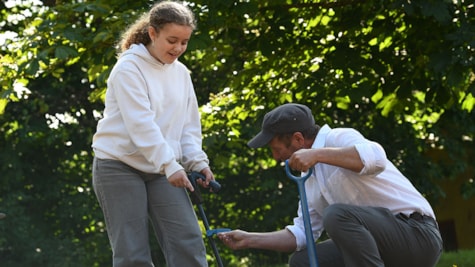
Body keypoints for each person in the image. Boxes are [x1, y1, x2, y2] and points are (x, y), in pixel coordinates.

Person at [218, 103, 443, 267]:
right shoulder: (308, 179)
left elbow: (376, 157)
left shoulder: (339, 137)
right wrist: (249, 239)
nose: (276, 157)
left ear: (298, 139)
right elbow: (302, 234)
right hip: (378, 249)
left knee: (337, 215)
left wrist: (317, 154)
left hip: (417, 237)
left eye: (277, 149)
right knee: (302, 261)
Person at [91, 1, 215, 266]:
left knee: (188, 241)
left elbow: (188, 127)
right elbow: (141, 126)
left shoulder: (181, 73)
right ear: (152, 33)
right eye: (172, 40)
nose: (179, 48)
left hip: (162, 169)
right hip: (119, 165)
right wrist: (170, 165)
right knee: (132, 252)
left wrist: (197, 161)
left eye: (184, 42)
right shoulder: (128, 68)